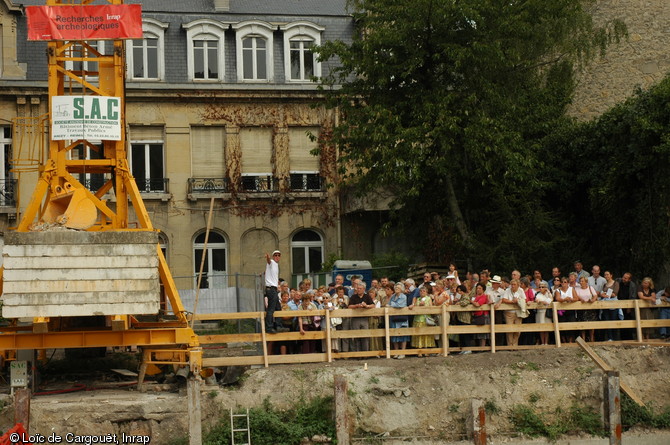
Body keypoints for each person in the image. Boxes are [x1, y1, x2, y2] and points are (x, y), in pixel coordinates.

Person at [496, 279, 527, 348]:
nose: (512, 286)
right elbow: (504, 299)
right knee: (509, 329)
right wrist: (512, 302)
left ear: (518, 285)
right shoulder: (507, 290)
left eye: (514, 284)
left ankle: (515, 345)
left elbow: (524, 299)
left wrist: (518, 300)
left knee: (518, 330)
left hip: (518, 313)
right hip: (509, 313)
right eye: (512, 284)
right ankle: (510, 345)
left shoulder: (521, 290)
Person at [348, 282, 374, 352]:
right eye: (358, 288)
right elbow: (349, 306)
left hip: (364, 318)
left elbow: (373, 305)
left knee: (365, 336)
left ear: (364, 289)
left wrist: (366, 306)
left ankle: (365, 353)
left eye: (360, 289)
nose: (358, 290)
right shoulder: (353, 297)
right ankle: (357, 353)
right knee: (356, 336)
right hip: (355, 318)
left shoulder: (367, 296)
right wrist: (356, 306)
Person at [410, 285, 436, 355]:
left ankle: (426, 351)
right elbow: (414, 306)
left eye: (424, 291)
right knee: (419, 335)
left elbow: (431, 307)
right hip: (418, 318)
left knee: (426, 334)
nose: (422, 292)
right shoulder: (417, 299)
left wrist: (424, 305)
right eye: (421, 291)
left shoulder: (428, 298)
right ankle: (419, 351)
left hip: (425, 318)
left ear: (426, 292)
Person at [388, 283, 410, 358]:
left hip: (402, 318)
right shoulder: (393, 296)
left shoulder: (403, 296)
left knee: (403, 335)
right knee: (394, 335)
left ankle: (403, 352)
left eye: (398, 288)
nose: (396, 289)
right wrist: (392, 305)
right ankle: (396, 352)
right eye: (396, 288)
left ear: (401, 289)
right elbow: (389, 304)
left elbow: (400, 305)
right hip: (394, 318)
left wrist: (392, 305)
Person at [264, 250, 284, 333]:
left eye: (278, 255)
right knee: (271, 309)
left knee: (278, 308)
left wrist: (277, 283)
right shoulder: (271, 262)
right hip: (271, 289)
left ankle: (279, 326)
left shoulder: (276, 265)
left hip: (274, 288)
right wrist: (268, 257)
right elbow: (268, 261)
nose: (277, 256)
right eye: (275, 255)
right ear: (273, 256)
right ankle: (269, 328)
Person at [573, 276, 598, 342]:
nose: (581, 283)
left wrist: (592, 300)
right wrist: (580, 299)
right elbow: (576, 296)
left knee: (591, 324)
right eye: (580, 281)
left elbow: (595, 295)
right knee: (582, 324)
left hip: (590, 308)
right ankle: (583, 339)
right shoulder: (577, 289)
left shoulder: (590, 287)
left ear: (586, 282)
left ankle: (592, 338)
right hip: (581, 308)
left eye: (582, 281)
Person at [554, 277, 577, 343]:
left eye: (565, 282)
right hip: (562, 310)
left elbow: (576, 298)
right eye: (562, 282)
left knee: (571, 324)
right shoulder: (558, 290)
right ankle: (563, 340)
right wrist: (564, 299)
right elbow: (557, 298)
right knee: (562, 325)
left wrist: (571, 299)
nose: (563, 283)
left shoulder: (571, 289)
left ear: (568, 283)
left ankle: (571, 340)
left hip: (570, 309)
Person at [599, 271, 620, 341]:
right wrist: (602, 295)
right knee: (607, 321)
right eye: (605, 275)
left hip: (613, 304)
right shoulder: (605, 284)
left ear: (611, 275)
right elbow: (602, 293)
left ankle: (615, 337)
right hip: (605, 305)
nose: (606, 276)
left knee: (613, 320)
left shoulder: (615, 283)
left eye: (607, 274)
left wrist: (606, 295)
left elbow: (615, 293)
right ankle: (609, 337)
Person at [616, 272, 637, 340]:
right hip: (619, 304)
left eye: (625, 278)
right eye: (623, 277)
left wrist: (629, 307)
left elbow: (633, 296)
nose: (623, 279)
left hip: (628, 305)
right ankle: (621, 338)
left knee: (628, 321)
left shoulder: (632, 285)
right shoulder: (618, 281)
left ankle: (629, 338)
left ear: (629, 279)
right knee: (620, 321)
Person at [471, 283, 490, 347]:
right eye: (477, 288)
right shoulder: (475, 297)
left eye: (480, 288)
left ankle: (483, 347)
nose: (478, 290)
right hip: (476, 315)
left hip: (483, 315)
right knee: (478, 333)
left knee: (483, 333)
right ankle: (479, 347)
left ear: (483, 290)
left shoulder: (484, 296)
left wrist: (471, 301)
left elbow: (477, 304)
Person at [368, 287, 383, 353]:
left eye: (372, 293)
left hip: (375, 320)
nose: (371, 294)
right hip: (368, 319)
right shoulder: (367, 301)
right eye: (370, 293)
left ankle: (377, 350)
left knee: (376, 335)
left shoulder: (377, 302)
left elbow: (378, 312)